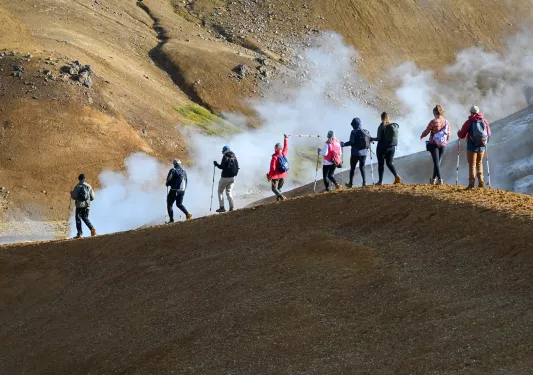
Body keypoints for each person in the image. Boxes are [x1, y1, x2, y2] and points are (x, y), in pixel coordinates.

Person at [457, 105, 492, 189]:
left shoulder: (469, 122)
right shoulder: (484, 121)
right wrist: (485, 142)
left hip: (471, 147)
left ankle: (471, 184)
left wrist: (458, 133)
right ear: (478, 112)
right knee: (479, 163)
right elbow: (489, 134)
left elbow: (462, 135)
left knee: (472, 164)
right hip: (482, 147)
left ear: (471, 112)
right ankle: (481, 181)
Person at [420, 105, 450, 185]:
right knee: (437, 162)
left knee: (436, 162)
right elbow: (448, 135)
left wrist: (422, 135)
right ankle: (433, 179)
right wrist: (444, 140)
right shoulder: (446, 122)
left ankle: (440, 179)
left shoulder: (433, 121)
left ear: (434, 113)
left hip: (434, 144)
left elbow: (427, 131)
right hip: (443, 144)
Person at [340, 117, 371, 187]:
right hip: (364, 152)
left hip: (355, 153)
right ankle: (364, 183)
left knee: (353, 168)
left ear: (354, 125)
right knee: (362, 167)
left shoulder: (353, 132)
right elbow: (369, 140)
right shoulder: (366, 131)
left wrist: (343, 144)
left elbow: (352, 142)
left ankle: (350, 183)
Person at [375, 112, 401, 185]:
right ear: (389, 117)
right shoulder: (392, 126)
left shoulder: (381, 126)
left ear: (381, 118)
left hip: (382, 148)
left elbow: (378, 138)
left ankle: (380, 181)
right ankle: (396, 175)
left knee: (381, 164)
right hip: (392, 147)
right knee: (389, 163)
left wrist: (371, 139)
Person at [214, 146, 239, 213]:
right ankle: (231, 207)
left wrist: (216, 164)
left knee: (220, 191)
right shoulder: (234, 156)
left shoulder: (225, 156)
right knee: (229, 192)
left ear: (224, 151)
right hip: (233, 178)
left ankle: (222, 207)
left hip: (225, 177)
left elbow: (222, 166)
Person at [70, 173, 96, 238]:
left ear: (79, 179)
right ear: (84, 179)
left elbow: (74, 197)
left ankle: (79, 234)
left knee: (78, 219)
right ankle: (92, 229)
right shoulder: (88, 186)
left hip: (79, 206)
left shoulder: (77, 186)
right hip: (87, 206)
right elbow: (92, 197)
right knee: (85, 217)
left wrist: (71, 193)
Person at [266, 134, 289, 201]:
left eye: (275, 148)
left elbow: (272, 168)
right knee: (279, 188)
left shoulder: (275, 157)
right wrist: (285, 139)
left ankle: (281, 197)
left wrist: (269, 176)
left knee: (274, 189)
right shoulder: (283, 154)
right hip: (283, 174)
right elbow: (286, 147)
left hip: (276, 175)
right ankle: (278, 199)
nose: (274, 149)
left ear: (277, 148)